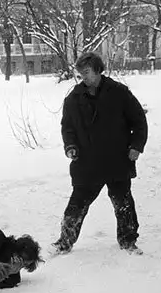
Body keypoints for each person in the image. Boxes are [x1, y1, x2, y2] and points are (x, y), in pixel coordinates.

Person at [52, 51, 148, 254]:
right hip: (87, 162)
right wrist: (70, 146)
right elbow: (67, 127)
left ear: (98, 70)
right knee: (77, 203)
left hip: (117, 159)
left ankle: (128, 241)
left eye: (87, 72)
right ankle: (64, 242)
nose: (83, 77)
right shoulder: (74, 98)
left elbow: (139, 120)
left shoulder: (119, 93)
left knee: (123, 203)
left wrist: (136, 146)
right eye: (80, 73)